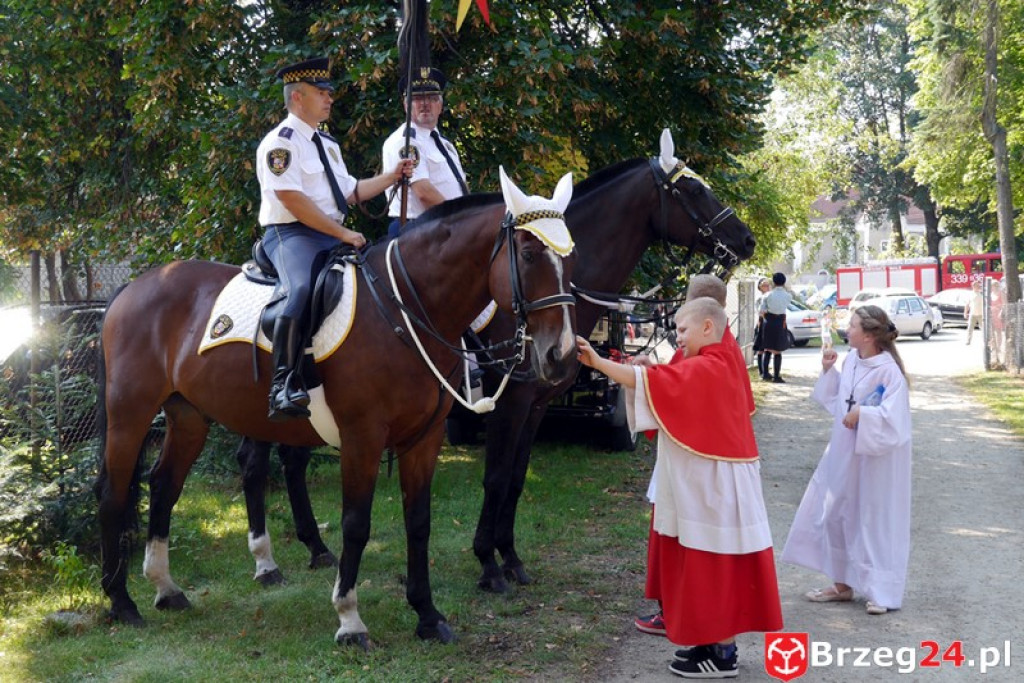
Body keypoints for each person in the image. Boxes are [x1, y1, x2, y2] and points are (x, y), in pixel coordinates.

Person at [579, 297, 782, 678]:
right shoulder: (718, 357)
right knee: (706, 563)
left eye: (683, 329)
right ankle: (711, 644)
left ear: (708, 327)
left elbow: (667, 383)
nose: (679, 337)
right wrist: (646, 370)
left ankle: (723, 654)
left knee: (716, 563)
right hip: (710, 479)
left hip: (716, 484)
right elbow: (671, 383)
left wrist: (599, 363)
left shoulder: (714, 364)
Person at [256, 57, 413, 421]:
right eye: (321, 92)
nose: (329, 98)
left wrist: (391, 177)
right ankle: (283, 384)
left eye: (329, 92)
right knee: (301, 290)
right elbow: (290, 199)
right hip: (290, 234)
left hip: (328, 236)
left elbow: (352, 191)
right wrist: (343, 232)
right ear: (297, 97)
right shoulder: (280, 144)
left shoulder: (327, 145)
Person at [633, 275, 756, 639]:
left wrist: (643, 377)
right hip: (699, 451)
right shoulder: (722, 343)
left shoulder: (710, 349)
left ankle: (678, 613)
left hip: (695, 458)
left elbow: (676, 387)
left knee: (682, 536)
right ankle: (680, 612)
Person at [780, 304, 912, 616]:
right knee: (835, 512)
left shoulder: (889, 372)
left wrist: (863, 415)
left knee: (871, 520)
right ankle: (841, 585)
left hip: (874, 462)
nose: (847, 329)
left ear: (868, 335)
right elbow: (840, 398)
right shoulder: (852, 359)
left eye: (852, 325)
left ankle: (882, 591)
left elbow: (894, 422)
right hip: (843, 452)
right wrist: (829, 370)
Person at [382, 67, 469, 239]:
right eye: (417, 99)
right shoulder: (405, 141)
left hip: (445, 226)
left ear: (440, 105)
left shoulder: (444, 144)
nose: (425, 104)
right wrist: (461, 220)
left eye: (431, 98)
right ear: (406, 105)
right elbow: (423, 192)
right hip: (419, 230)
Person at [759, 272, 792, 383]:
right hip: (780, 321)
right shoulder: (788, 296)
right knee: (778, 349)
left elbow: (761, 311)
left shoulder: (767, 295)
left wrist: (767, 317)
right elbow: (786, 305)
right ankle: (777, 376)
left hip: (769, 321)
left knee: (767, 348)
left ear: (773, 282)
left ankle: (765, 374)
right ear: (784, 282)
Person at [752, 277, 771, 380]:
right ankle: (761, 371)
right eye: (764, 285)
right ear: (760, 287)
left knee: (768, 347)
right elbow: (760, 312)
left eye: (768, 285)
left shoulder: (770, 297)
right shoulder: (760, 298)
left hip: (768, 322)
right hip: (762, 322)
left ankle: (766, 370)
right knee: (761, 348)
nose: (767, 287)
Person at [964, 279, 983, 345]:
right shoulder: (970, 294)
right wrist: (965, 313)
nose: (977, 287)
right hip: (972, 314)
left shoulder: (982, 294)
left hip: (981, 314)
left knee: (983, 328)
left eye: (978, 285)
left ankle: (985, 341)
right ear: (973, 286)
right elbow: (967, 305)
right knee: (970, 328)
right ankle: (968, 341)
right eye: (975, 285)